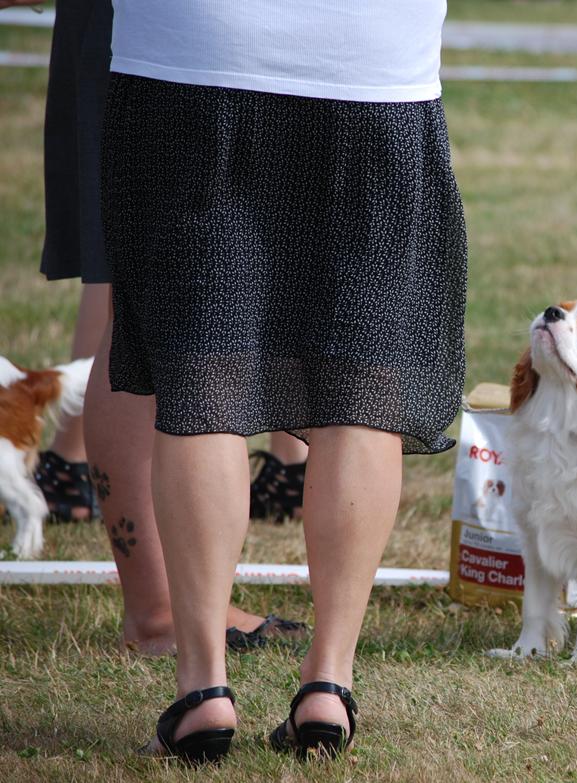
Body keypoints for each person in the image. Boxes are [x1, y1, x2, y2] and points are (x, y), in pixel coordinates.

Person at [101, 0, 467, 763]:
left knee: (203, 374)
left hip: (193, 54)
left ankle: (203, 686)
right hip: (371, 59)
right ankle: (328, 680)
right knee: (361, 381)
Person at [13, 0, 306, 655]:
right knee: (159, 305)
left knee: (167, 300)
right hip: (165, 39)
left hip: (198, 38)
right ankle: (161, 609)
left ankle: (165, 603)